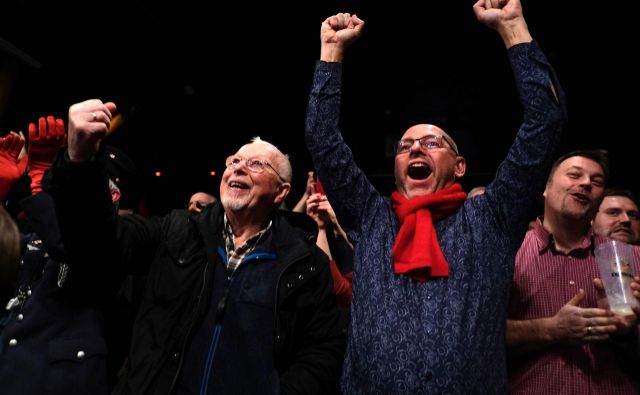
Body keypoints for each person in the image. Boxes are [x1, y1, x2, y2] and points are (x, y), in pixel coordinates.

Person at [304, 0, 566, 393]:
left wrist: (513, 28)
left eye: (431, 142)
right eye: (405, 145)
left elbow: (545, 121)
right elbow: (322, 141)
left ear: (459, 166)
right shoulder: (373, 218)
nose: (415, 149)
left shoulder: (491, 218)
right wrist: (331, 53)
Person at [47, 99, 346, 395]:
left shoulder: (306, 264)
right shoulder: (178, 231)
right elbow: (95, 245)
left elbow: (322, 354)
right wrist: (79, 163)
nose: (239, 169)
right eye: (234, 161)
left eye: (256, 164)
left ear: (281, 192)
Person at [507, 150, 640, 394]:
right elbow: (480, 337)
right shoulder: (507, 254)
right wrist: (551, 329)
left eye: (596, 181)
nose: (587, 183)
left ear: (599, 199)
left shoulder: (632, 258)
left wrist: (627, 332)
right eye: (574, 175)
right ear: (545, 188)